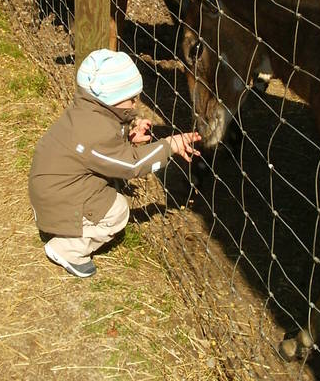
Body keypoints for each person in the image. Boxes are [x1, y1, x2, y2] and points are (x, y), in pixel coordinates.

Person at [28, 49, 201, 278]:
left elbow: (104, 143)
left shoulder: (87, 112)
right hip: (58, 201)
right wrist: (168, 146)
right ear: (110, 98)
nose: (135, 103)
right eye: (131, 99)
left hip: (52, 191)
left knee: (108, 189)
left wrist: (129, 132)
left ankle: (62, 223)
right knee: (117, 211)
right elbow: (131, 166)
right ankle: (67, 248)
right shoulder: (94, 132)